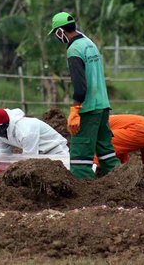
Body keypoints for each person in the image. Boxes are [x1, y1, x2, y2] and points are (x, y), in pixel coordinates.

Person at [49, 12, 120, 179]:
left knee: (80, 154)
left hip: (88, 109)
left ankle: (82, 196)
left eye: (56, 34)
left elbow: (80, 87)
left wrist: (75, 110)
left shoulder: (74, 49)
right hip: (102, 106)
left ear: (60, 32)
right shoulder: (89, 43)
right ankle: (121, 181)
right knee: (106, 152)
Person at [0, 108, 68, 155]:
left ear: (2, 126)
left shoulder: (25, 131)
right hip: (39, 154)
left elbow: (30, 158)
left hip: (55, 152)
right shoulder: (1, 133)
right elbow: (2, 152)